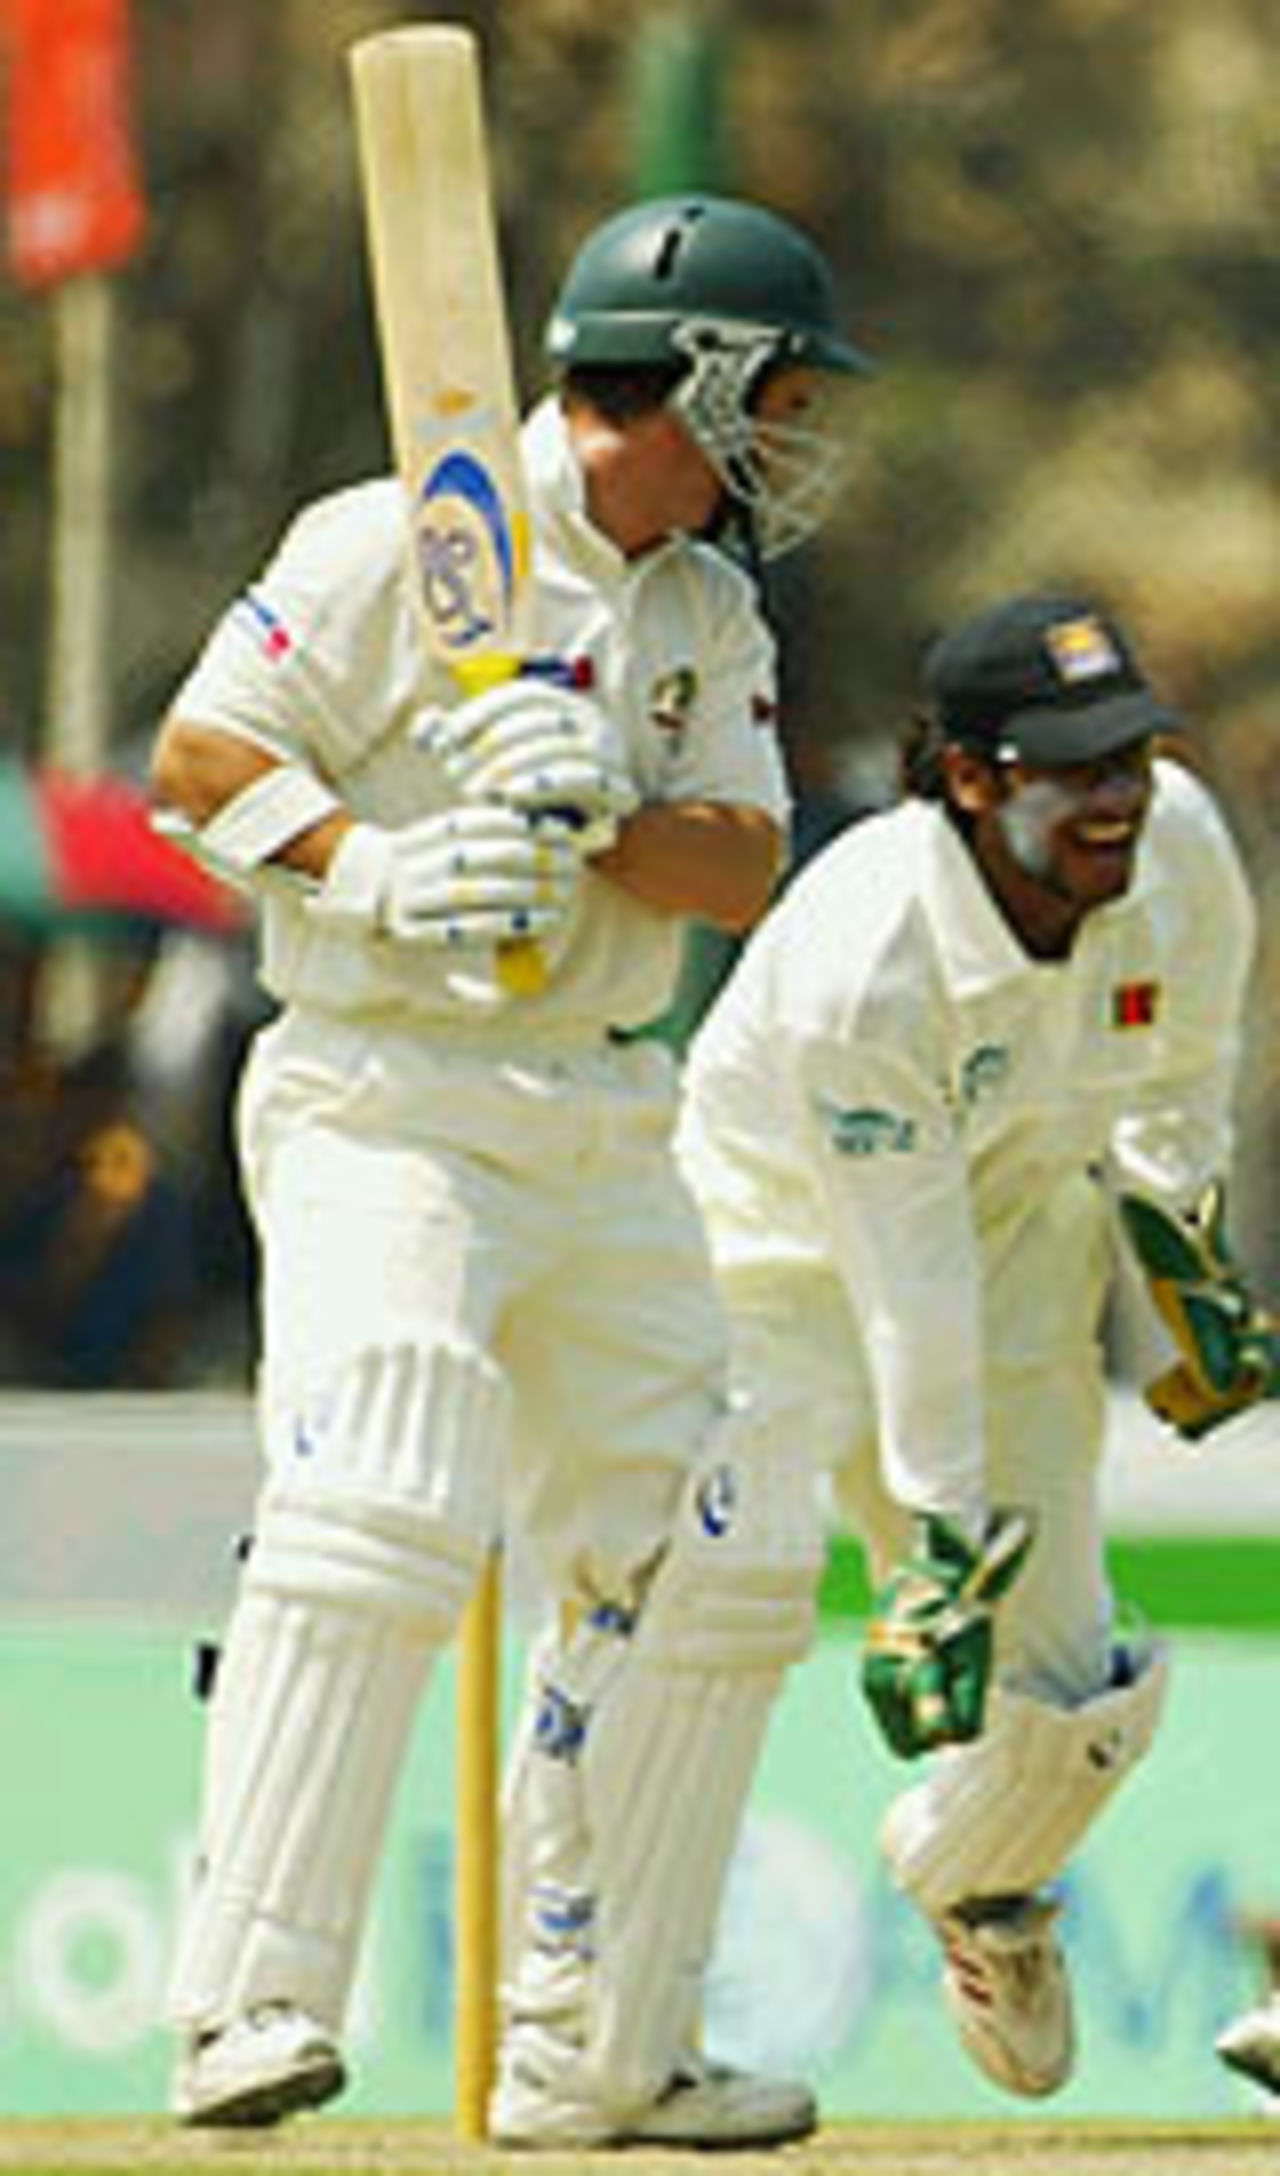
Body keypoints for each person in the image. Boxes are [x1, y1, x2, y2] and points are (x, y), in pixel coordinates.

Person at [151, 192, 871, 2146]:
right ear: (699, 380)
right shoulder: (394, 535)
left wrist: (599, 802)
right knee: (385, 1484)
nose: (793, 440)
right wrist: (382, 865)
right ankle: (243, 2002)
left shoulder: (705, 606)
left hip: (600, 1101)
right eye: (780, 396)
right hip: (386, 1086)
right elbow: (201, 760)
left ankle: (602, 2050)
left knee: (712, 1554)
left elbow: (737, 857)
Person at [676, 590, 1275, 2099]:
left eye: (1132, 755)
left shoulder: (1183, 852)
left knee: (1083, 1710)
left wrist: (1182, 1253)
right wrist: (942, 1543)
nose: (1118, 797)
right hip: (769, 1262)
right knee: (698, 1619)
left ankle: (976, 1884)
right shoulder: (869, 956)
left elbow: (1179, 1078)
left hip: (1012, 1235)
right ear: (971, 778)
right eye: (1076, 768)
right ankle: (595, 2020)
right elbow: (899, 1275)